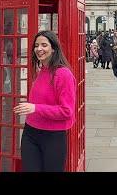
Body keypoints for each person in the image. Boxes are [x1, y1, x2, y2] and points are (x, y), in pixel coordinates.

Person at [13, 30, 76, 172]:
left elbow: (67, 111)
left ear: (53, 49)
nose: (39, 49)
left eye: (44, 45)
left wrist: (35, 108)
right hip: (31, 133)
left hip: (52, 137)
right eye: (36, 45)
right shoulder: (42, 70)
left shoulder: (63, 74)